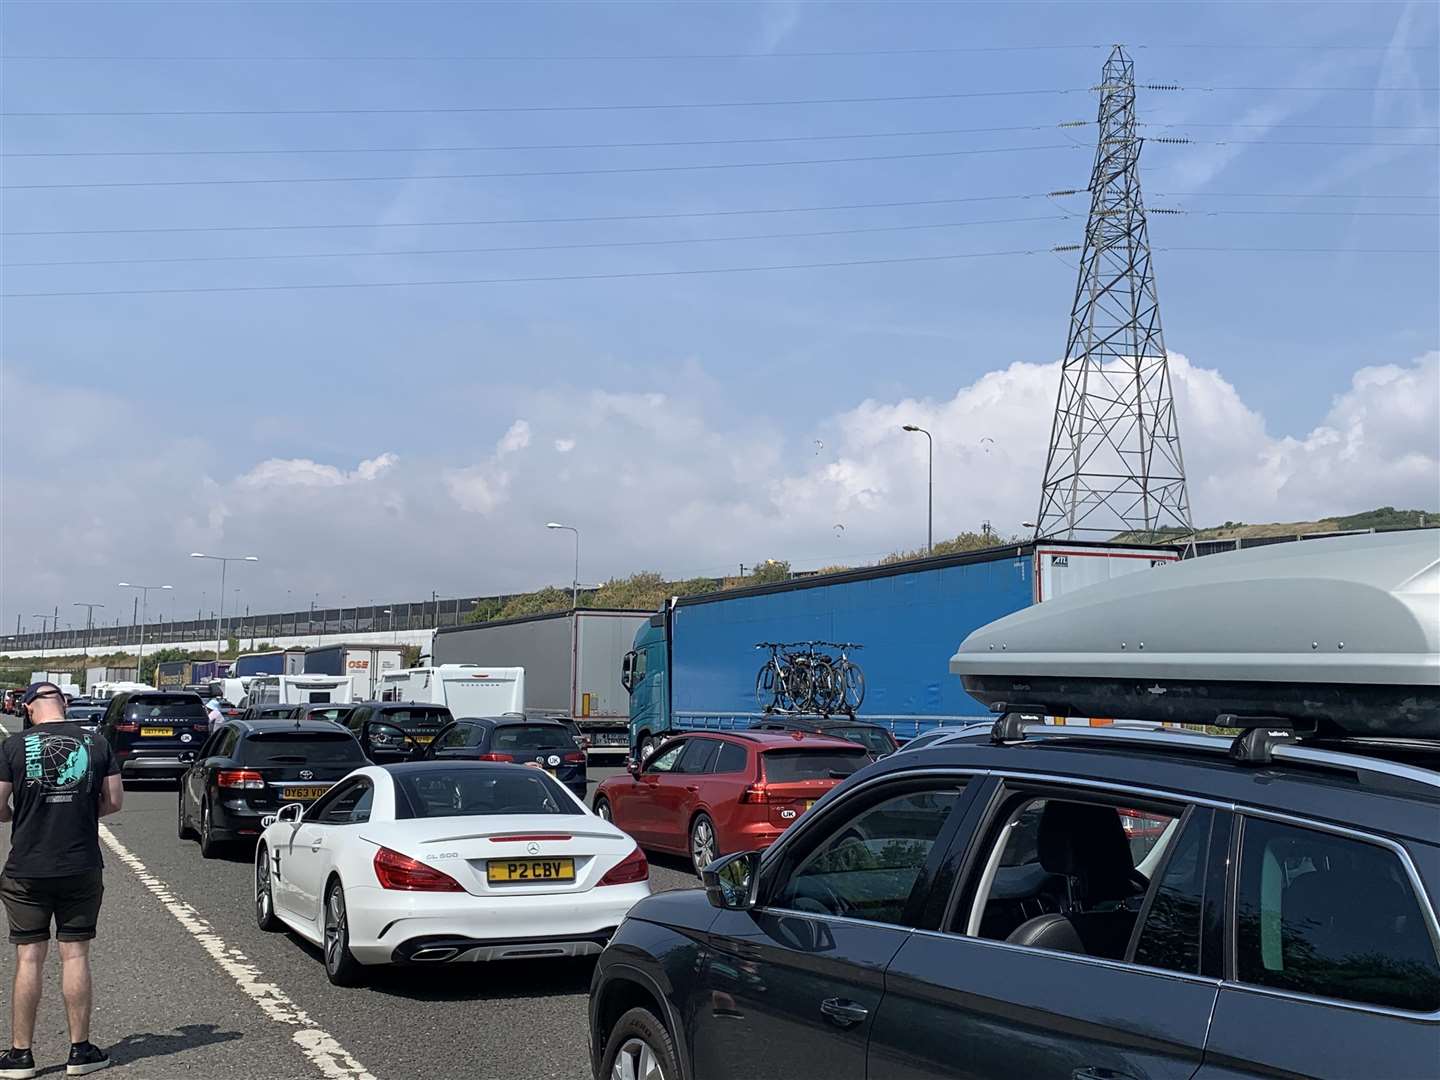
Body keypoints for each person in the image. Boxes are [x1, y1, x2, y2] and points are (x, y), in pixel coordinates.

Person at [0, 682, 122, 1078]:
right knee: (75, 954)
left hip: (27, 867)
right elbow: (114, 801)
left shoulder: (13, 746)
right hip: (81, 863)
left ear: (31, 709)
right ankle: (80, 1051)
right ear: (64, 704)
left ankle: (21, 1056)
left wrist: (17, 816)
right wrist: (82, 812)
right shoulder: (97, 742)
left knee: (29, 957)